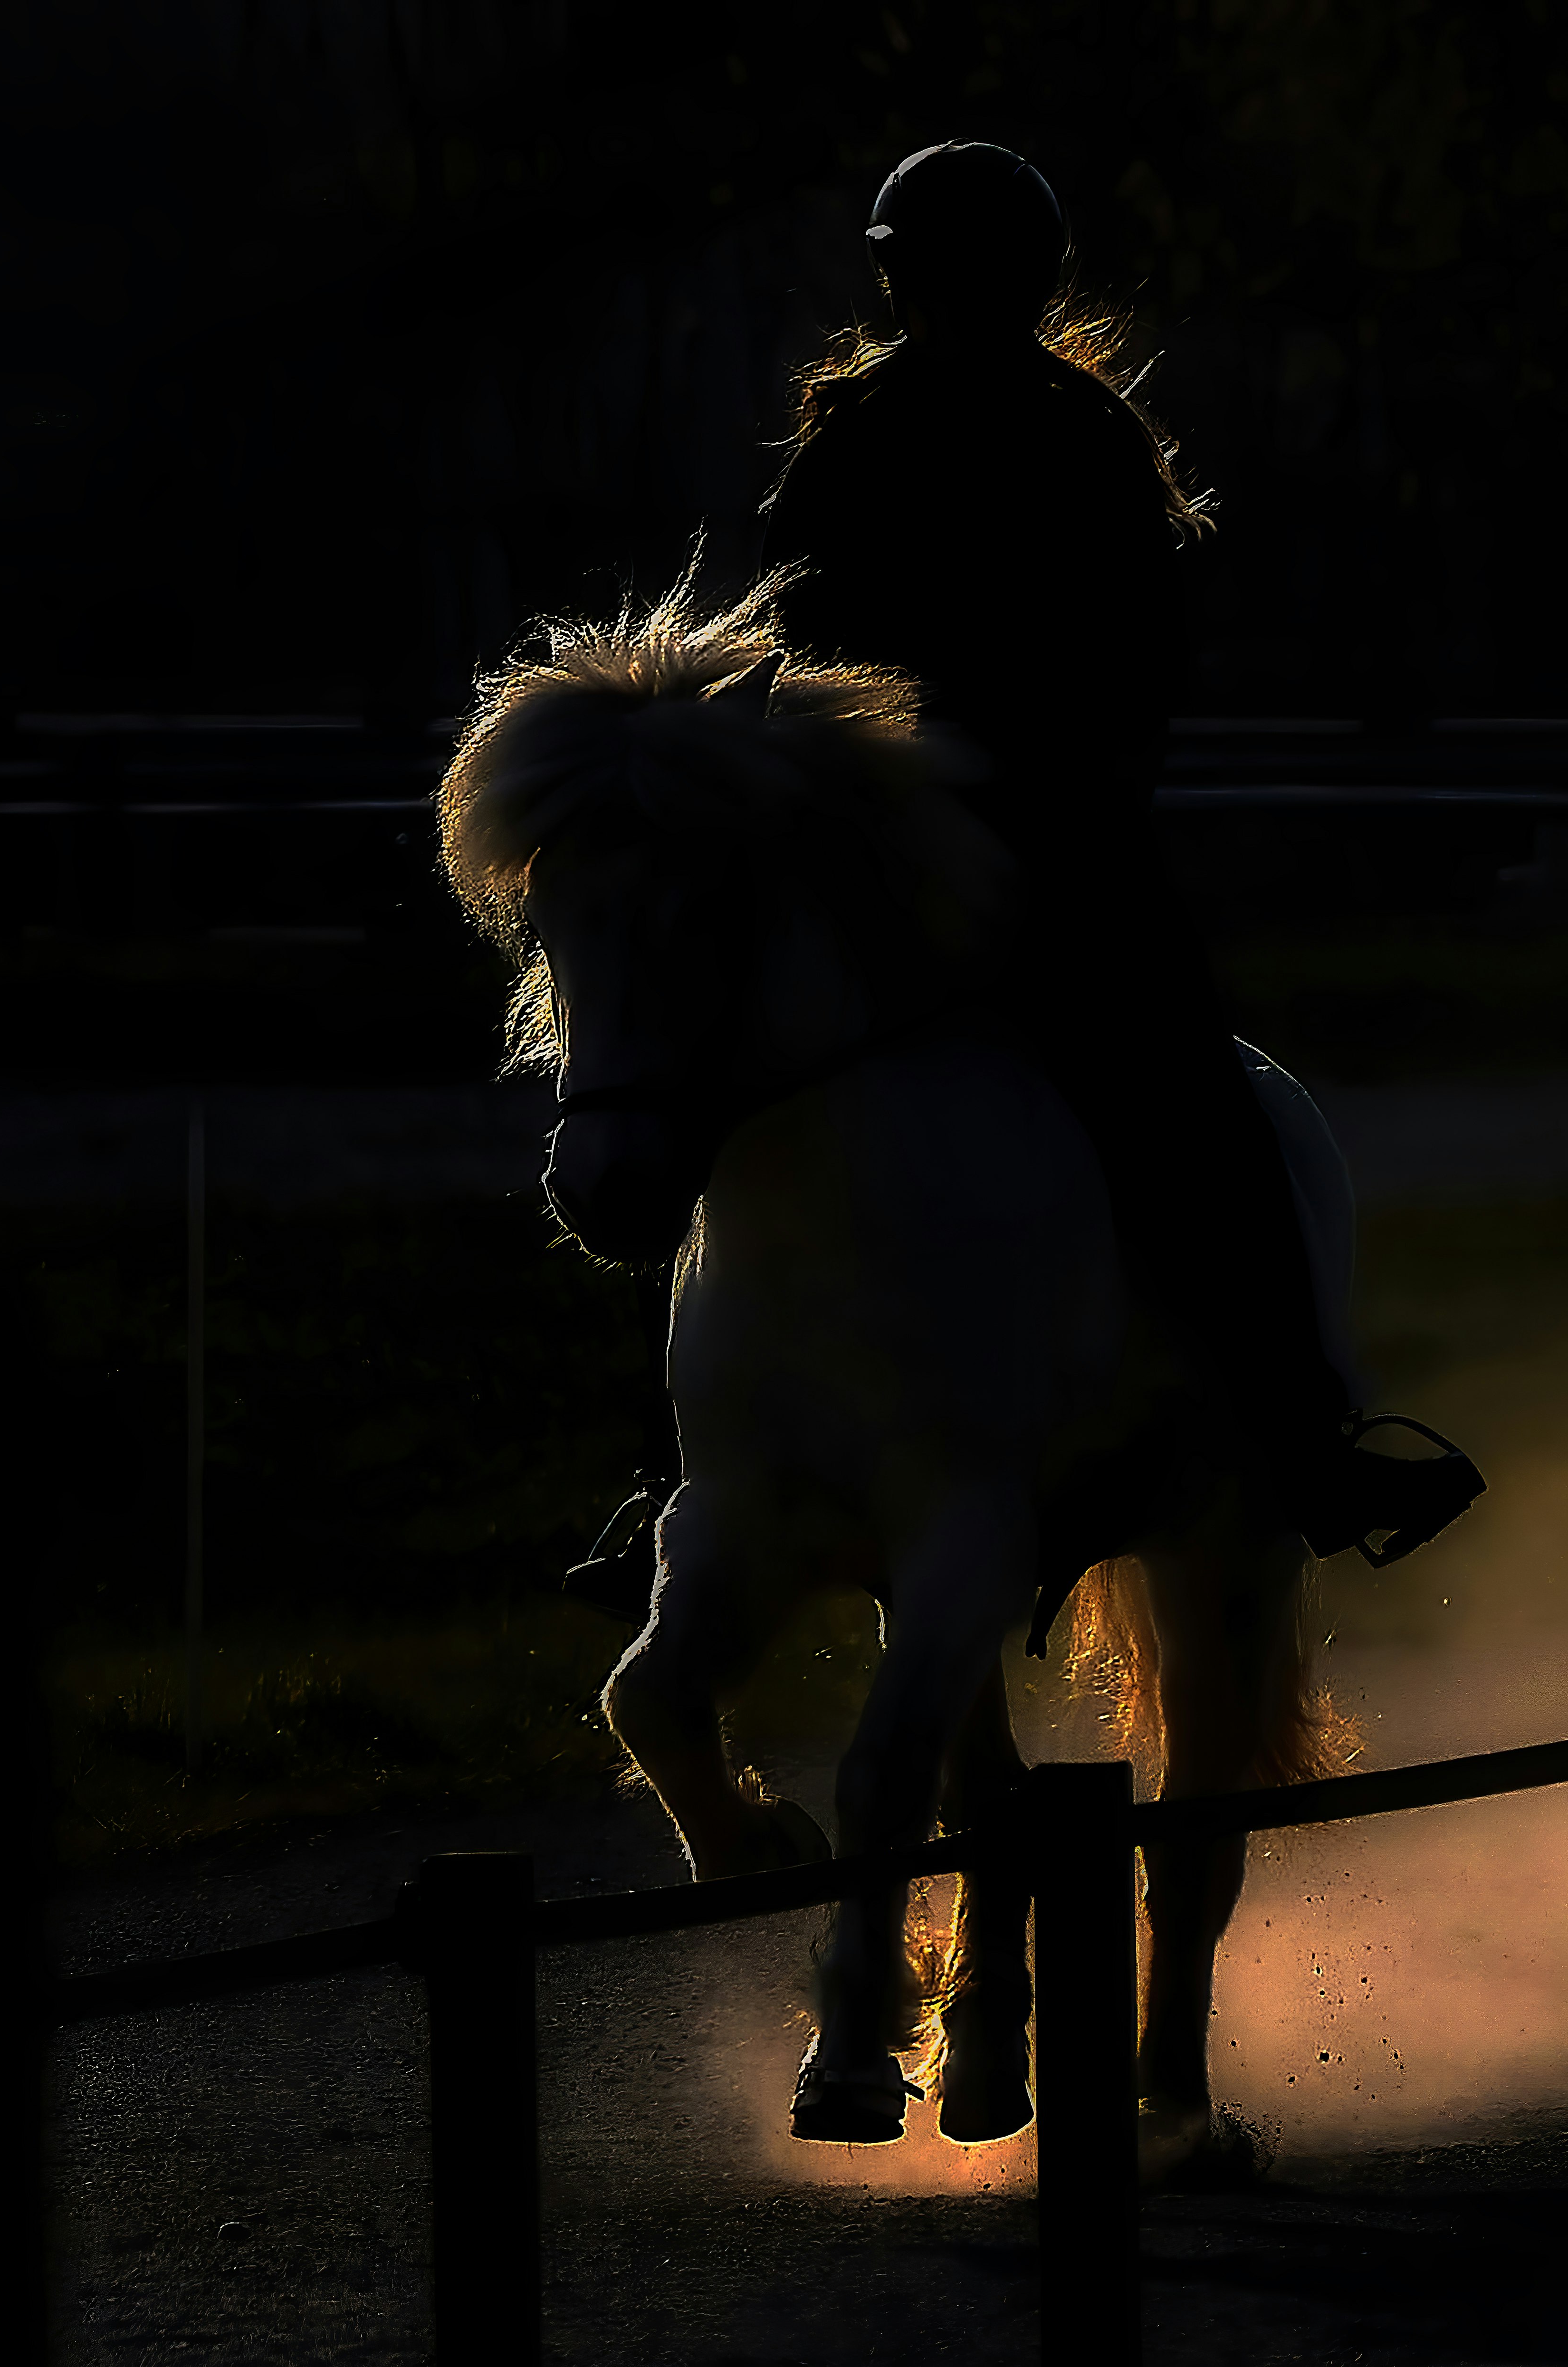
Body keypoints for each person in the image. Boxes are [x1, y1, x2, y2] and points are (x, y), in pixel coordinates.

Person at [564, 140, 1477, 1618]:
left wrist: (1025, 779)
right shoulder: (847, 446)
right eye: (931, 275)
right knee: (688, 1112)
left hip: (1063, 848)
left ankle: (1305, 1435)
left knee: (1194, 1095)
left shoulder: (1086, 442)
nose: (953, 299)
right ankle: (674, 1474)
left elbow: (1139, 674)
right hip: (868, 855)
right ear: (900, 281)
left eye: (977, 276)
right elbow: (787, 644)